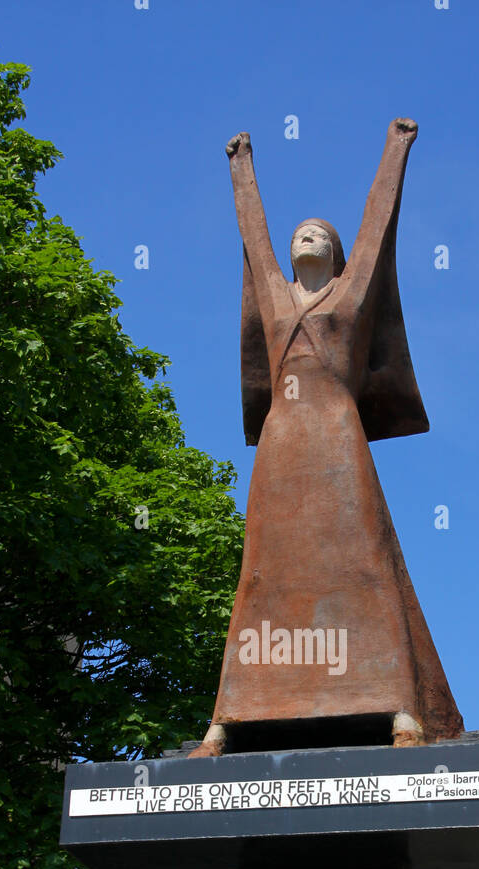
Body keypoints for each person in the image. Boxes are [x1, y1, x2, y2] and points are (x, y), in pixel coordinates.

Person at [191, 119, 463, 757]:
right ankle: (225, 721)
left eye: (318, 232)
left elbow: (377, 229)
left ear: (339, 255)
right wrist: (241, 168)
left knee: (366, 564)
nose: (304, 234)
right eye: (297, 234)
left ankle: (402, 713)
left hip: (339, 441)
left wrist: (396, 148)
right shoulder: (276, 299)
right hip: (283, 446)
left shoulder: (351, 294)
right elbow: (252, 241)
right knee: (261, 575)